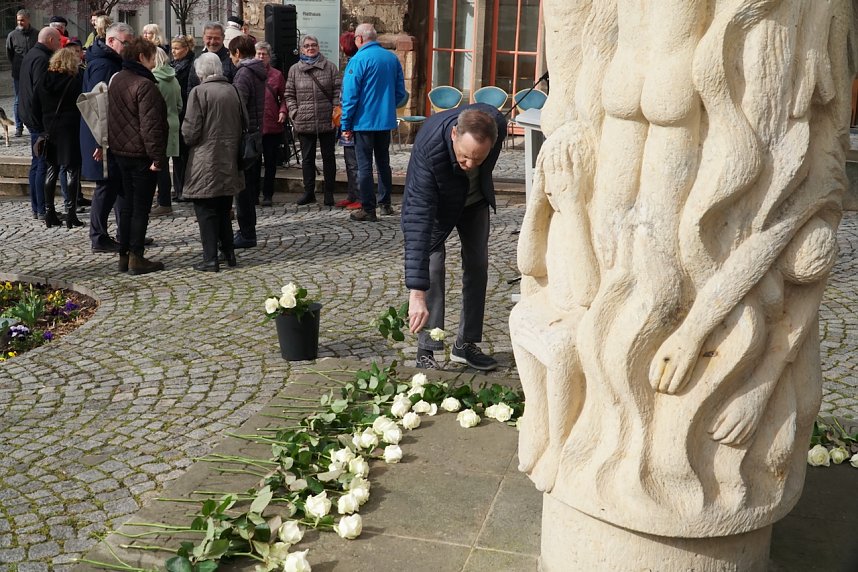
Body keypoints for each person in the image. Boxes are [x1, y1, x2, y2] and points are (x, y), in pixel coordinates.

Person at [402, 104, 507, 370]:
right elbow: (417, 221)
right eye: (464, 157)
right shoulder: (429, 150)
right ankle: (427, 347)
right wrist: (416, 294)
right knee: (433, 266)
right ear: (453, 135)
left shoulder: (498, 126)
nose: (470, 164)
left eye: (478, 159)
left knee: (478, 264)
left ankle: (466, 344)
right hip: (437, 204)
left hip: (474, 201)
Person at [108, 37, 168, 274]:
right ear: (142, 57)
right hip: (140, 155)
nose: (154, 62)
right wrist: (157, 158)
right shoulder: (144, 85)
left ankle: (124, 254)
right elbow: (151, 126)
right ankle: (136, 256)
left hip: (120, 152)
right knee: (140, 207)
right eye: (152, 57)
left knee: (126, 207)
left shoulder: (117, 80)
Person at [181, 52, 244, 272]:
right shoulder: (233, 90)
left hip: (205, 160)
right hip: (229, 158)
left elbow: (190, 131)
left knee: (206, 211)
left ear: (201, 72)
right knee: (224, 207)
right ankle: (229, 253)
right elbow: (244, 122)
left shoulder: (198, 92)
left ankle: (210, 259)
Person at [340, 23, 405, 222]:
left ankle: (368, 209)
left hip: (364, 122)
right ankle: (385, 203)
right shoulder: (392, 58)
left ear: (359, 39)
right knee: (384, 163)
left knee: (364, 166)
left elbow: (350, 97)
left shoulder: (358, 60)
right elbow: (401, 94)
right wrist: (386, 106)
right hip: (384, 121)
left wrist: (346, 125)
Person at [81, 22, 132, 254]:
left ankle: (126, 233)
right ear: (111, 41)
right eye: (125, 43)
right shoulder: (103, 65)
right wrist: (101, 141)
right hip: (102, 137)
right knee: (106, 186)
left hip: (112, 135)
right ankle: (98, 237)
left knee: (119, 184)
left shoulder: (110, 61)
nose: (128, 47)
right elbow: (96, 105)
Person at [285, 34, 340, 207]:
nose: (311, 48)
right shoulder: (294, 70)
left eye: (314, 45)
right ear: (302, 49)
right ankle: (309, 192)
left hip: (326, 120)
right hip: (305, 121)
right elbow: (289, 94)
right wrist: (295, 113)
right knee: (307, 159)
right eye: (307, 46)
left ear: (318, 47)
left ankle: (329, 193)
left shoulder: (330, 67)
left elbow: (338, 92)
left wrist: (335, 115)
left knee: (328, 157)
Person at [33, 46, 83, 229]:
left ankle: (49, 212)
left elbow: (34, 106)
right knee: (71, 169)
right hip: (70, 128)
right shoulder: (74, 80)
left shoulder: (43, 80)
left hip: (49, 128)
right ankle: (71, 214)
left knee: (51, 169)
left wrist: (41, 127)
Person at [19, 26, 62, 220]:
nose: (60, 45)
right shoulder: (42, 59)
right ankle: (42, 208)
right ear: (51, 41)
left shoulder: (31, 54)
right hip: (38, 118)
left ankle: (38, 207)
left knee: (36, 163)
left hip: (29, 114)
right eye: (58, 41)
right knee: (41, 163)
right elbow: (40, 91)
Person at [229, 35, 266, 248]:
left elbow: (238, 105)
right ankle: (247, 231)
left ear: (237, 53)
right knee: (248, 187)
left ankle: (246, 233)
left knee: (243, 189)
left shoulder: (244, 73)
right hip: (255, 132)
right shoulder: (257, 71)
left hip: (246, 135)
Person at [151, 47, 182, 216]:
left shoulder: (154, 79)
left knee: (158, 166)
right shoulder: (174, 78)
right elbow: (179, 105)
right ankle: (164, 201)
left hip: (159, 125)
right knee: (163, 163)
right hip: (173, 122)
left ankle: (163, 202)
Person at [255, 41, 286, 207]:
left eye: (264, 54)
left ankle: (268, 194)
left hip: (272, 126)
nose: (261, 57)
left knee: (270, 164)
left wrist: (283, 111)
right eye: (258, 54)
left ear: (269, 56)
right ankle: (253, 194)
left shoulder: (277, 75)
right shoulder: (248, 73)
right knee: (252, 164)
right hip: (254, 126)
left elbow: (285, 97)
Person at [170, 34, 199, 202]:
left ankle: (185, 188)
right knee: (177, 154)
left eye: (177, 48)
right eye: (172, 48)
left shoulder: (191, 65)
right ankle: (178, 188)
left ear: (186, 49)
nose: (173, 52)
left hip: (186, 111)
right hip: (176, 112)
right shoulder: (172, 65)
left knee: (184, 154)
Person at [6, 9, 37, 138]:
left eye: (22, 20)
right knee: (18, 100)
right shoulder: (12, 35)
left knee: (34, 99)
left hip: (34, 72)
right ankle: (19, 127)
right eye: (18, 20)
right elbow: (10, 54)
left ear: (28, 19)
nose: (20, 22)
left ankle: (33, 124)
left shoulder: (36, 34)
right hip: (19, 73)